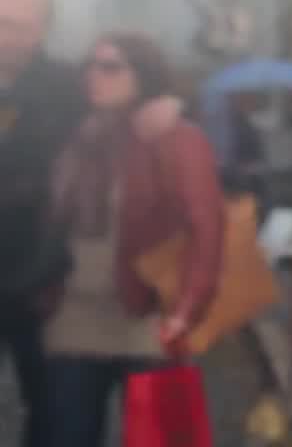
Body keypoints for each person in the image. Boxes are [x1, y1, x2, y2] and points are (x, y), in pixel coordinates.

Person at [42, 32, 225, 447]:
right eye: (90, 66)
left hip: (149, 318)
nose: (95, 76)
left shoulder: (176, 138)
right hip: (73, 316)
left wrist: (187, 309)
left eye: (111, 67)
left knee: (155, 438)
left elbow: (206, 227)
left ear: (143, 75)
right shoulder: (78, 135)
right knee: (67, 435)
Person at [0, 0, 84, 447]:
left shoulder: (69, 88)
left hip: (42, 277)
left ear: (44, 30)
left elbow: (130, 108)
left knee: (50, 409)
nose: (9, 37)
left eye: (23, 26)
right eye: (2, 22)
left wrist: (167, 105)